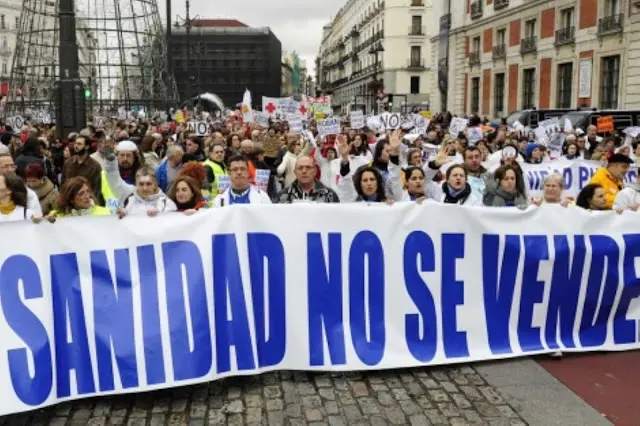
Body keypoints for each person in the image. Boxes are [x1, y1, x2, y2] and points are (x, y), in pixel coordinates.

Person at [275, 156, 340, 203]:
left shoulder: (330, 195)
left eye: (308, 167)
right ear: (295, 172)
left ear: (315, 171)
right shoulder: (282, 195)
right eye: (300, 168)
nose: (304, 171)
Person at [47, 176, 111, 219]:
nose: (87, 196)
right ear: (71, 199)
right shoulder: (56, 216)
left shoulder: (104, 213)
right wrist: (46, 221)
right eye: (81, 193)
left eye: (87, 191)